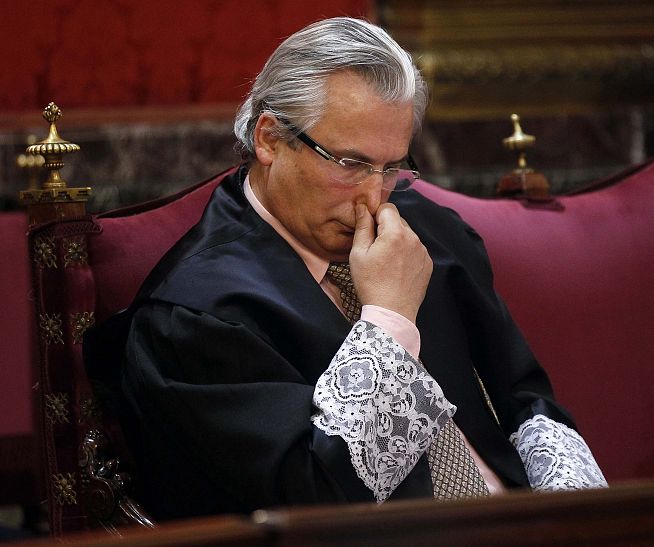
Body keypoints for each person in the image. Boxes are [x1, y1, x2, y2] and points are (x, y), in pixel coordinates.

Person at [85, 16, 606, 521]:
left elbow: (524, 398)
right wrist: (389, 320)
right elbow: (318, 501)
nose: (373, 197)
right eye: (351, 164)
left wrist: (578, 520)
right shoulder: (194, 317)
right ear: (269, 139)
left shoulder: (429, 234)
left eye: (392, 168)